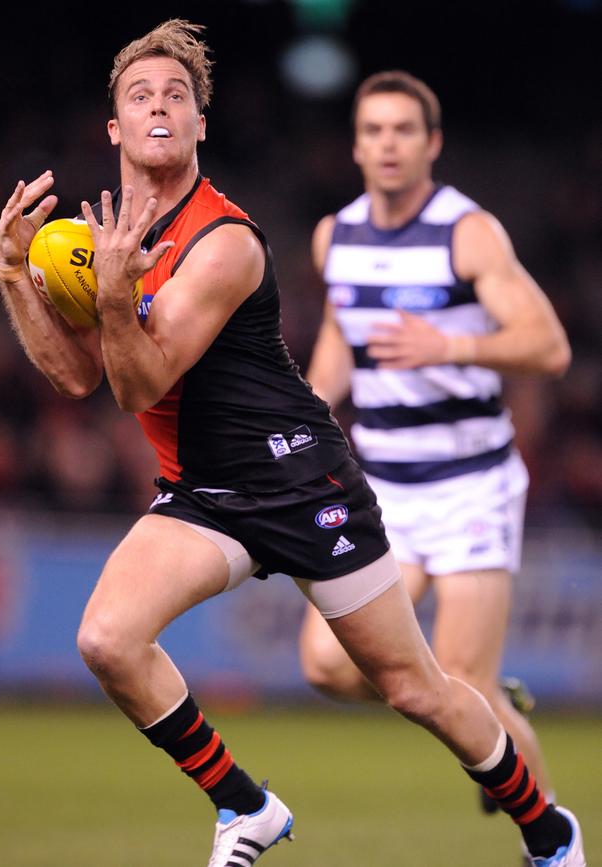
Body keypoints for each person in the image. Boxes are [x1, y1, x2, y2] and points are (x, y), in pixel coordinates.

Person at [0, 23, 585, 867]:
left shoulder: (225, 242)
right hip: (206, 492)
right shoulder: (108, 240)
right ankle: (247, 806)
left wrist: (117, 302)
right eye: (141, 96)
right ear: (114, 127)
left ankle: (548, 830)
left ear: (201, 124)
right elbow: (79, 377)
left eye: (178, 97)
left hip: (304, 481)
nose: (160, 106)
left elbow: (137, 385)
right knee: (107, 638)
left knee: (416, 687)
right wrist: (17, 277)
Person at [297, 69, 573, 826]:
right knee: (323, 663)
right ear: (356, 146)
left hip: (470, 483)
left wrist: (448, 344)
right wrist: (305, 416)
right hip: (382, 486)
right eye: (375, 131)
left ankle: (550, 837)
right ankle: (481, 709)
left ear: (432, 144)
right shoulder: (337, 237)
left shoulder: (467, 231)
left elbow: (549, 347)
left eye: (404, 131)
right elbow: (339, 342)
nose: (389, 144)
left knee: (465, 686)